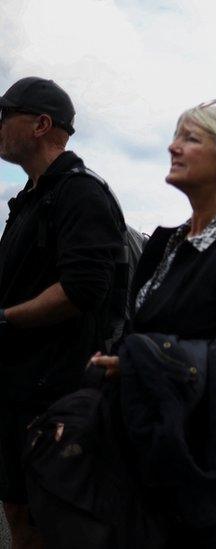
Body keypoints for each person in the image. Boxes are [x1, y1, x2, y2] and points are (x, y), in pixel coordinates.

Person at [90, 100, 216, 546]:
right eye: (176, 135)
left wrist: (144, 358)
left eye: (190, 138)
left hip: (190, 469)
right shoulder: (172, 243)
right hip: (141, 456)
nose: (173, 146)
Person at [0, 77, 123, 548]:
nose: (0, 125)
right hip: (19, 392)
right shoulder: (30, 198)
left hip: (57, 397)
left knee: (58, 524)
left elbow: (83, 289)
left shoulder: (80, 194)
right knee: (20, 514)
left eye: (6, 115)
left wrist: (5, 319)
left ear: (40, 124)